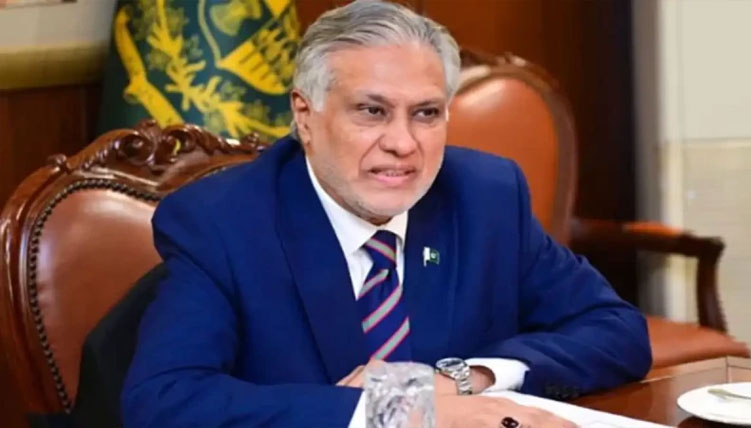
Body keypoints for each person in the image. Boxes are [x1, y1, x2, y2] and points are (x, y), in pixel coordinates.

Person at [121, 1, 652, 427]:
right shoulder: (222, 222)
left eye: (426, 114)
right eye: (372, 111)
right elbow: (166, 401)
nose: (403, 143)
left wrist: (466, 379)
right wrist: (398, 413)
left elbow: (617, 331)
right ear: (305, 116)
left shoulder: (485, 196)